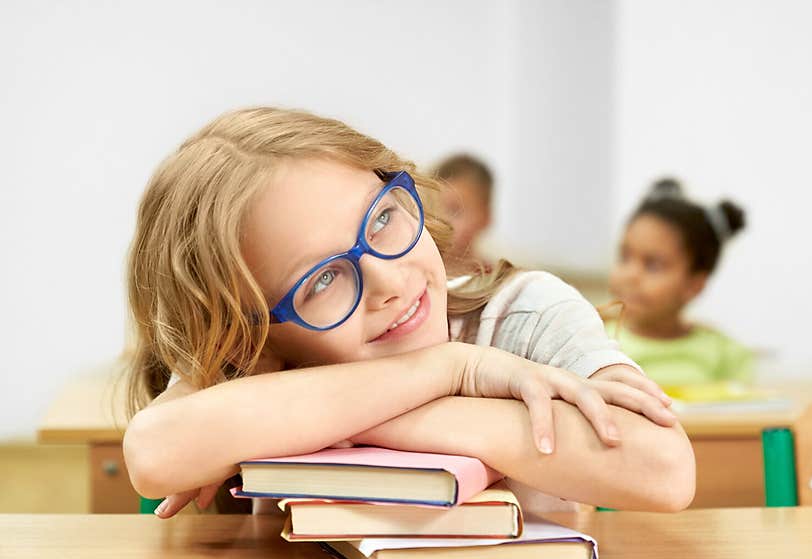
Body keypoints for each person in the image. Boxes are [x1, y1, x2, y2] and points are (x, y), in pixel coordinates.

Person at [123, 107, 694, 519]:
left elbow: (664, 471)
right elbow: (155, 453)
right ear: (252, 339)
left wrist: (327, 416)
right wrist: (450, 371)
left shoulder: (523, 314)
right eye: (322, 279)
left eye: (381, 219)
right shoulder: (250, 365)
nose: (391, 281)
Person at [607, 178, 753, 388]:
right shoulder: (593, 344)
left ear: (695, 285)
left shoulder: (727, 357)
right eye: (625, 257)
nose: (630, 275)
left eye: (653, 265)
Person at [432, 153, 494, 270]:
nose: (440, 220)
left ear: (485, 217)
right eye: (432, 208)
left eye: (454, 210)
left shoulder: (497, 281)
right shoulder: (420, 274)